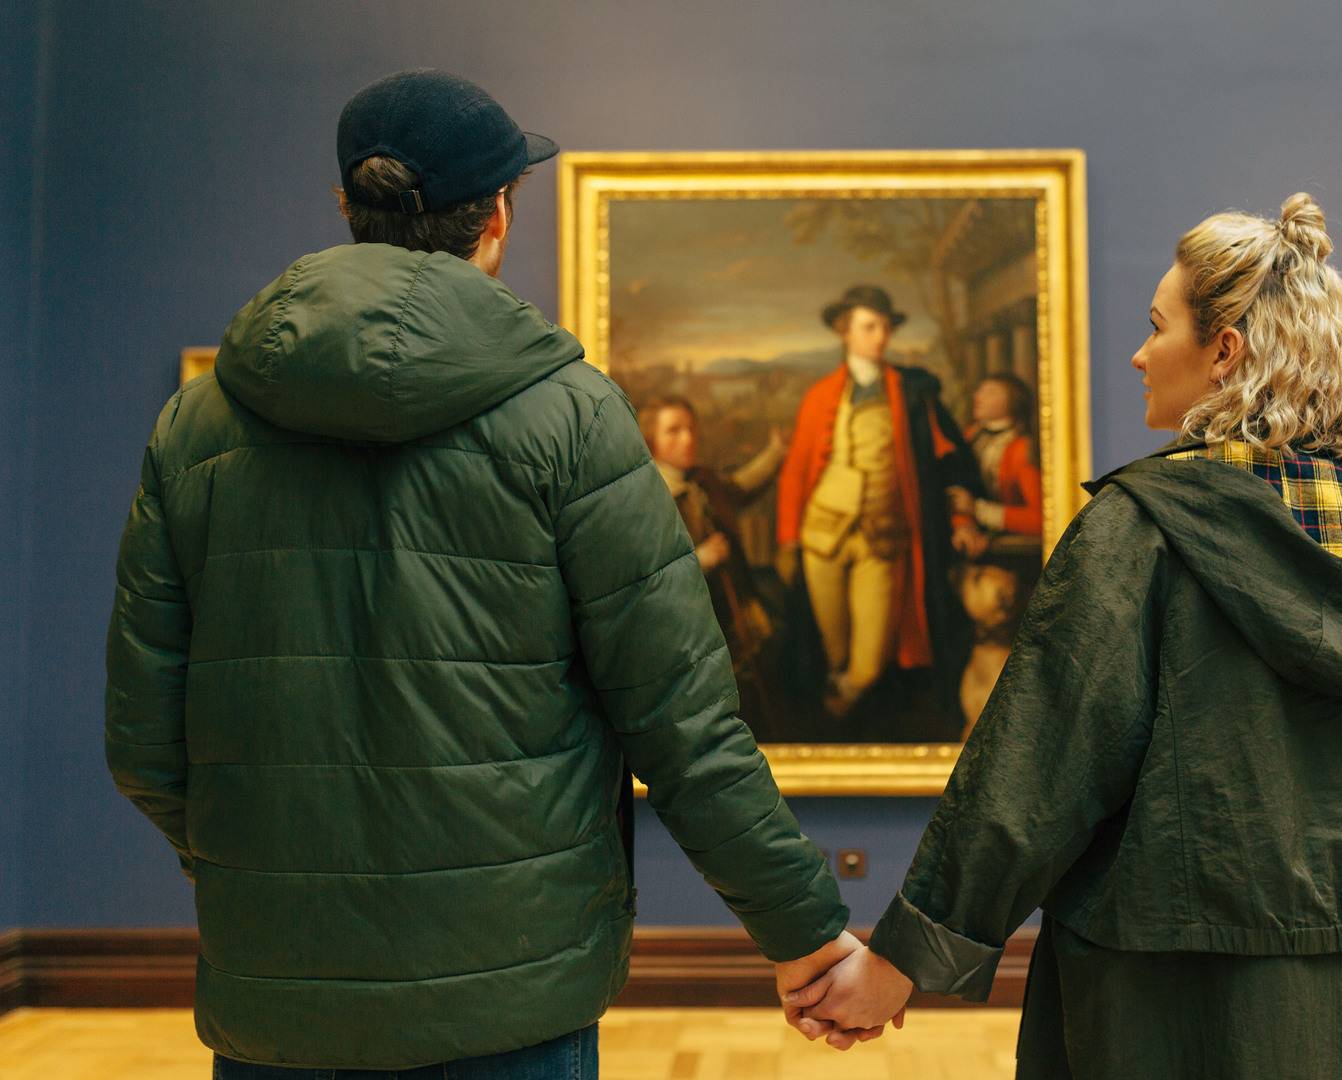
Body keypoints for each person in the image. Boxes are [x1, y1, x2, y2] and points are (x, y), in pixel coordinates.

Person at [104, 68, 864, 1078]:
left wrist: (268, 873)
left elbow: (144, 745)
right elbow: (682, 724)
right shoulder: (573, 416)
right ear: (498, 215)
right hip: (517, 995)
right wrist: (807, 935)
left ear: (348, 207)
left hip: (279, 994)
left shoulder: (200, 423)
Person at [787, 194, 1342, 1077]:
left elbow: (1033, 769)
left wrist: (904, 960)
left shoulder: (1140, 531)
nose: (1141, 354)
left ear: (1224, 351)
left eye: (1157, 327)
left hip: (1184, 1008)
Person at [775, 285, 978, 717]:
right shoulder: (820, 395)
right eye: (870, 327)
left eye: (886, 327)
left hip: (885, 539)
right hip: (822, 536)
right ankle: (839, 732)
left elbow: (949, 459)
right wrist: (789, 538)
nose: (881, 337)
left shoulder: (912, 392)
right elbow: (795, 471)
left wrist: (961, 515)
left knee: (868, 665)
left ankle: (845, 704)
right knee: (830, 651)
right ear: (844, 332)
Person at [641, 395, 789, 738]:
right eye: (673, 431)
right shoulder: (647, 495)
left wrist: (775, 453)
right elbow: (646, 574)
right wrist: (700, 559)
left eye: (690, 429)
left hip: (730, 603)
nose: (687, 438)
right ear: (651, 439)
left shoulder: (702, 480)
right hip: (687, 621)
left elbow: (740, 486)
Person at [948, 373, 1043, 542]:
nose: (978, 397)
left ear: (1014, 400)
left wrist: (978, 510)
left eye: (991, 392)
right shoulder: (971, 436)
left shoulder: (1022, 448)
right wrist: (964, 523)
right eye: (980, 391)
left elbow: (1041, 518)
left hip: (1012, 543)